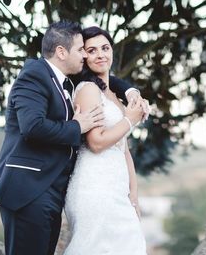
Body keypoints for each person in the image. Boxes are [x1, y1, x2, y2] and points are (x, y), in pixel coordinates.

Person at [0, 21, 144, 255]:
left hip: (53, 190)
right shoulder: (34, 74)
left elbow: (104, 78)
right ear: (62, 52)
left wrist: (130, 91)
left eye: (100, 49)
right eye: (83, 50)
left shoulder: (66, 81)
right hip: (28, 189)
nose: (86, 56)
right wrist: (77, 126)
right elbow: (31, 126)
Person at [63, 26, 149, 254]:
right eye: (92, 50)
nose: (100, 54)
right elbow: (96, 142)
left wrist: (133, 194)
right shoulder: (88, 90)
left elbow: (124, 150)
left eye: (105, 48)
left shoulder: (115, 95)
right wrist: (130, 120)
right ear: (83, 56)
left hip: (116, 189)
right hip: (94, 187)